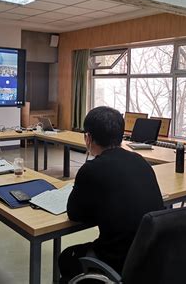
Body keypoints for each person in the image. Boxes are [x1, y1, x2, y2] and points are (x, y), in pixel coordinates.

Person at [58, 106, 164, 283]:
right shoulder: (140, 161)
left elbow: (75, 214)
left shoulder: (91, 170)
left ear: (88, 138)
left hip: (119, 260)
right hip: (153, 256)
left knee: (66, 258)